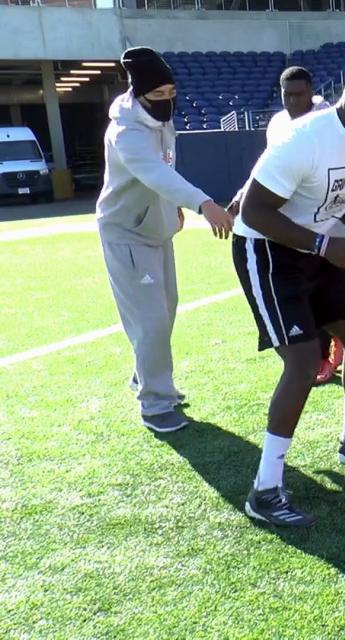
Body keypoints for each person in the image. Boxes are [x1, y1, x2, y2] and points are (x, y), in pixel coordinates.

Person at [233, 61, 345, 528]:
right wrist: (322, 244)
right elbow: (253, 210)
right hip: (267, 250)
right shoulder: (301, 139)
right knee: (304, 362)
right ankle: (265, 490)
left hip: (317, 248)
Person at [96, 47, 234, 433]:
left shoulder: (159, 116)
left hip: (156, 229)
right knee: (151, 319)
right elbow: (155, 173)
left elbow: (167, 166)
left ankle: (145, 377)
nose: (167, 103)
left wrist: (170, 209)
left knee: (166, 309)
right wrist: (203, 204)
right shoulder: (126, 131)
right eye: (158, 96)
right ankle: (156, 405)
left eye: (172, 94)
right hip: (126, 233)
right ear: (139, 93)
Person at [228, 65, 345, 385]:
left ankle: (332, 347)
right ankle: (321, 353)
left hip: (330, 220)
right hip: (291, 225)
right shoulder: (279, 124)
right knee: (305, 315)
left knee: (333, 300)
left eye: (300, 94)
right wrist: (244, 193)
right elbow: (267, 168)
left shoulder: (331, 120)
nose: (293, 101)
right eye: (287, 95)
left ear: (312, 92)